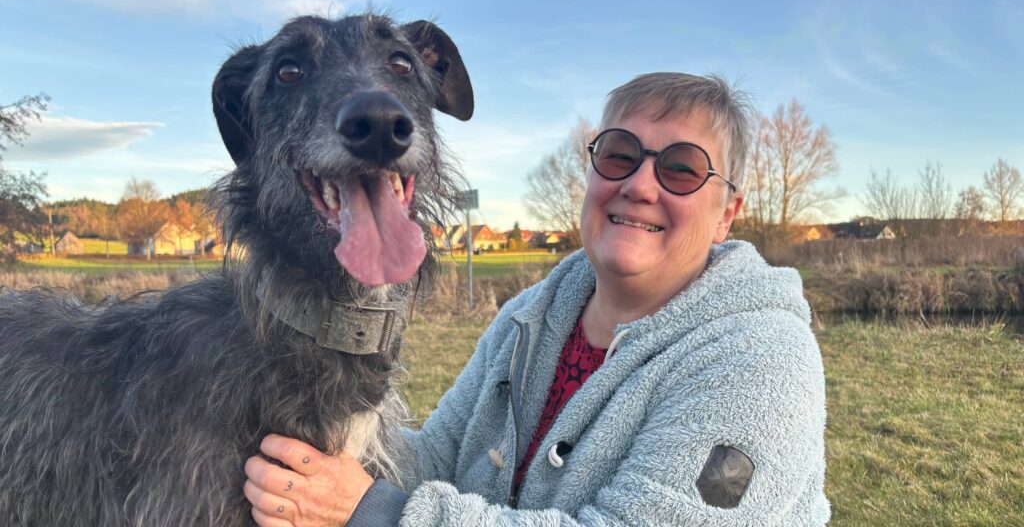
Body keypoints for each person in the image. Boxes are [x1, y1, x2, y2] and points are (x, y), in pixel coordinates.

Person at [243, 73, 830, 526]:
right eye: (619, 154)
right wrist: (303, 447)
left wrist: (377, 513)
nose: (639, 185)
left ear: (727, 212)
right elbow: (436, 458)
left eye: (682, 169)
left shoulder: (760, 360)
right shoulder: (529, 317)